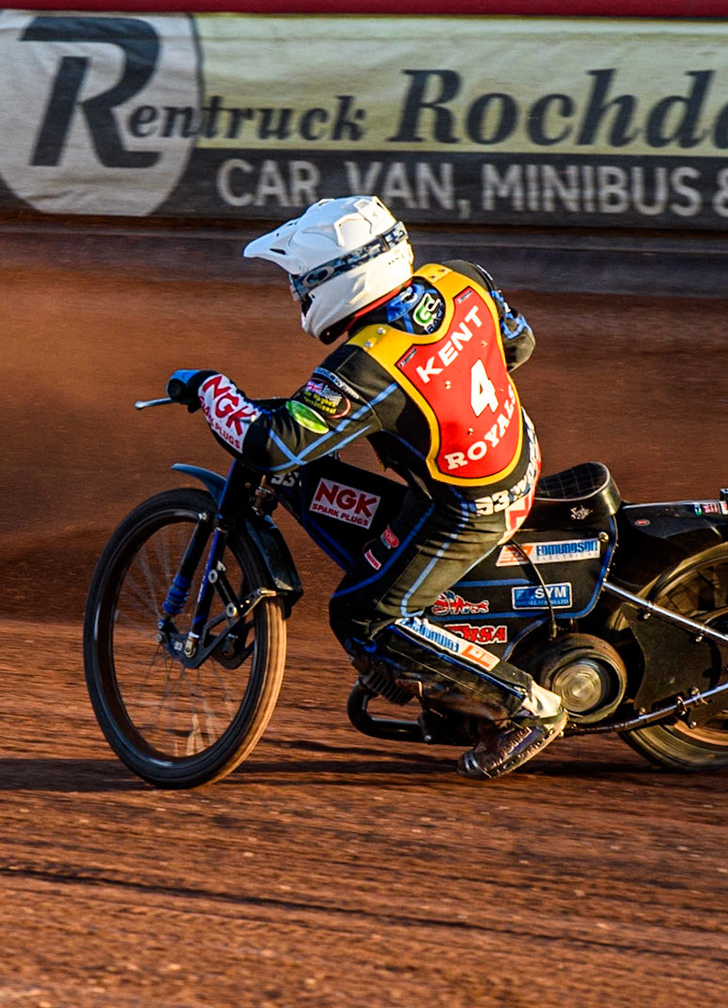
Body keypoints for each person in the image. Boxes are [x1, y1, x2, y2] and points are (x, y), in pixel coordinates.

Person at [166, 195, 566, 780]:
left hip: (472, 505)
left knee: (361, 615)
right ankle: (435, 668)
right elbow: (518, 345)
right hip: (514, 447)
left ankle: (529, 708)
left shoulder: (367, 366)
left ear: (342, 280)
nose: (298, 292)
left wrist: (209, 388)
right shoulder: (458, 279)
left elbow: (273, 447)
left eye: (303, 280)